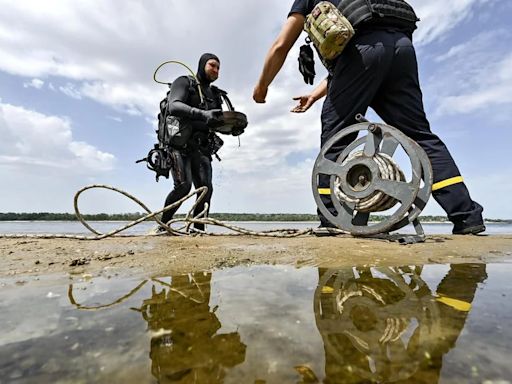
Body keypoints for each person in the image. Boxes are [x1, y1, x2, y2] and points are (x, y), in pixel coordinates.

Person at [253, 0, 485, 235]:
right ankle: (466, 216)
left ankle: (332, 218)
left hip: (362, 52)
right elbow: (358, 59)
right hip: (402, 50)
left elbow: (281, 46)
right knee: (418, 136)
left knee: (335, 136)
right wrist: (314, 95)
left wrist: (262, 87)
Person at [158, 53, 227, 233]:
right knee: (183, 186)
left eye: (219, 68)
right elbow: (174, 106)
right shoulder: (184, 82)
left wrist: (232, 128)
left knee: (206, 189)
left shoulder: (215, 94)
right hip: (178, 145)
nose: (216, 70)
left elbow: (217, 122)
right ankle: (163, 226)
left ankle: (198, 229)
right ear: (202, 64)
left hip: (202, 147)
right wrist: (202, 114)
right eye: (212, 65)